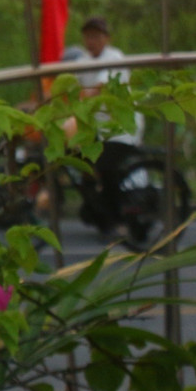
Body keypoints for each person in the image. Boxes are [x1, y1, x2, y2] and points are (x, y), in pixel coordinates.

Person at [74, 16, 143, 234]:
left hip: (120, 131)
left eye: (96, 36)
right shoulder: (82, 61)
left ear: (106, 38)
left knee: (105, 167)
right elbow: (66, 85)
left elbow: (100, 87)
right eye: (88, 36)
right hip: (95, 130)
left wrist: (79, 97)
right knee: (78, 162)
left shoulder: (115, 58)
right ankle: (98, 211)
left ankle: (118, 220)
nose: (91, 40)